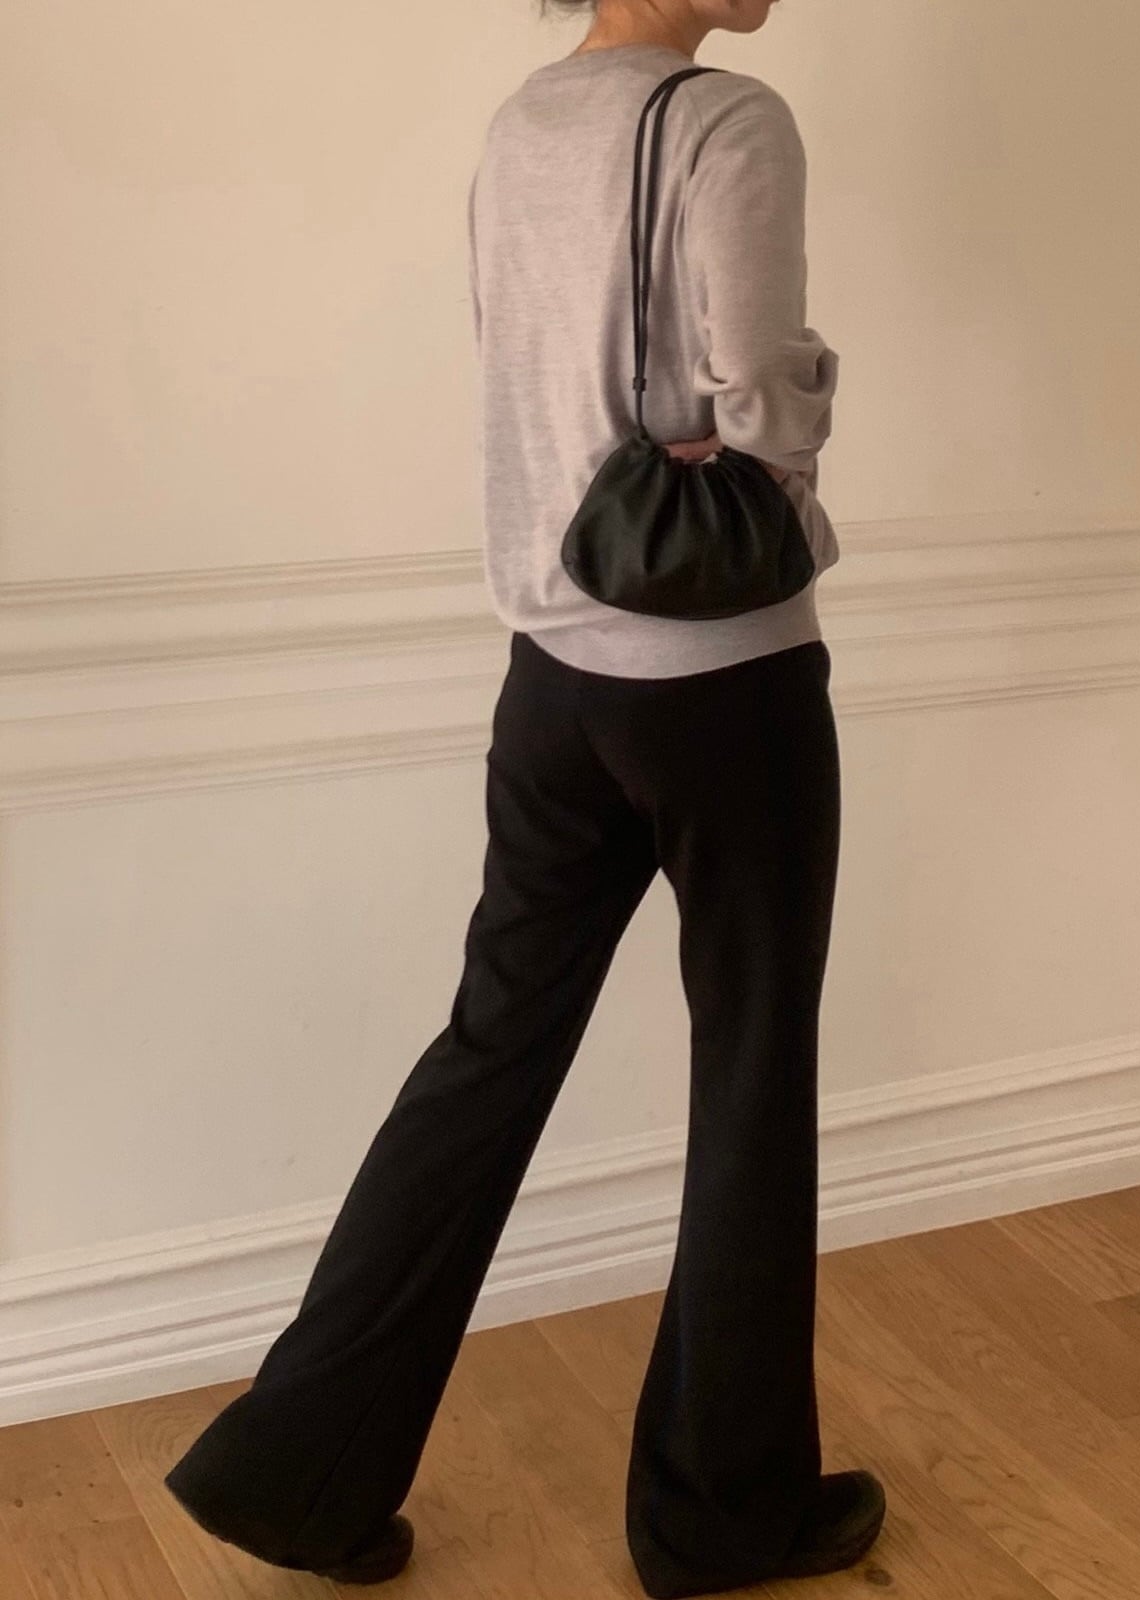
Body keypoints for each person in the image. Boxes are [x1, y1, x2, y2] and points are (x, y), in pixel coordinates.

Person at [162, 0, 887, 1593]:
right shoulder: (728, 120)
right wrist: (788, 442)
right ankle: (720, 1512)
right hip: (720, 679)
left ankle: (297, 1470)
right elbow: (761, 386)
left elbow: (522, 373)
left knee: (489, 1049)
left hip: (551, 677)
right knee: (749, 1062)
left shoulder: (521, 125)